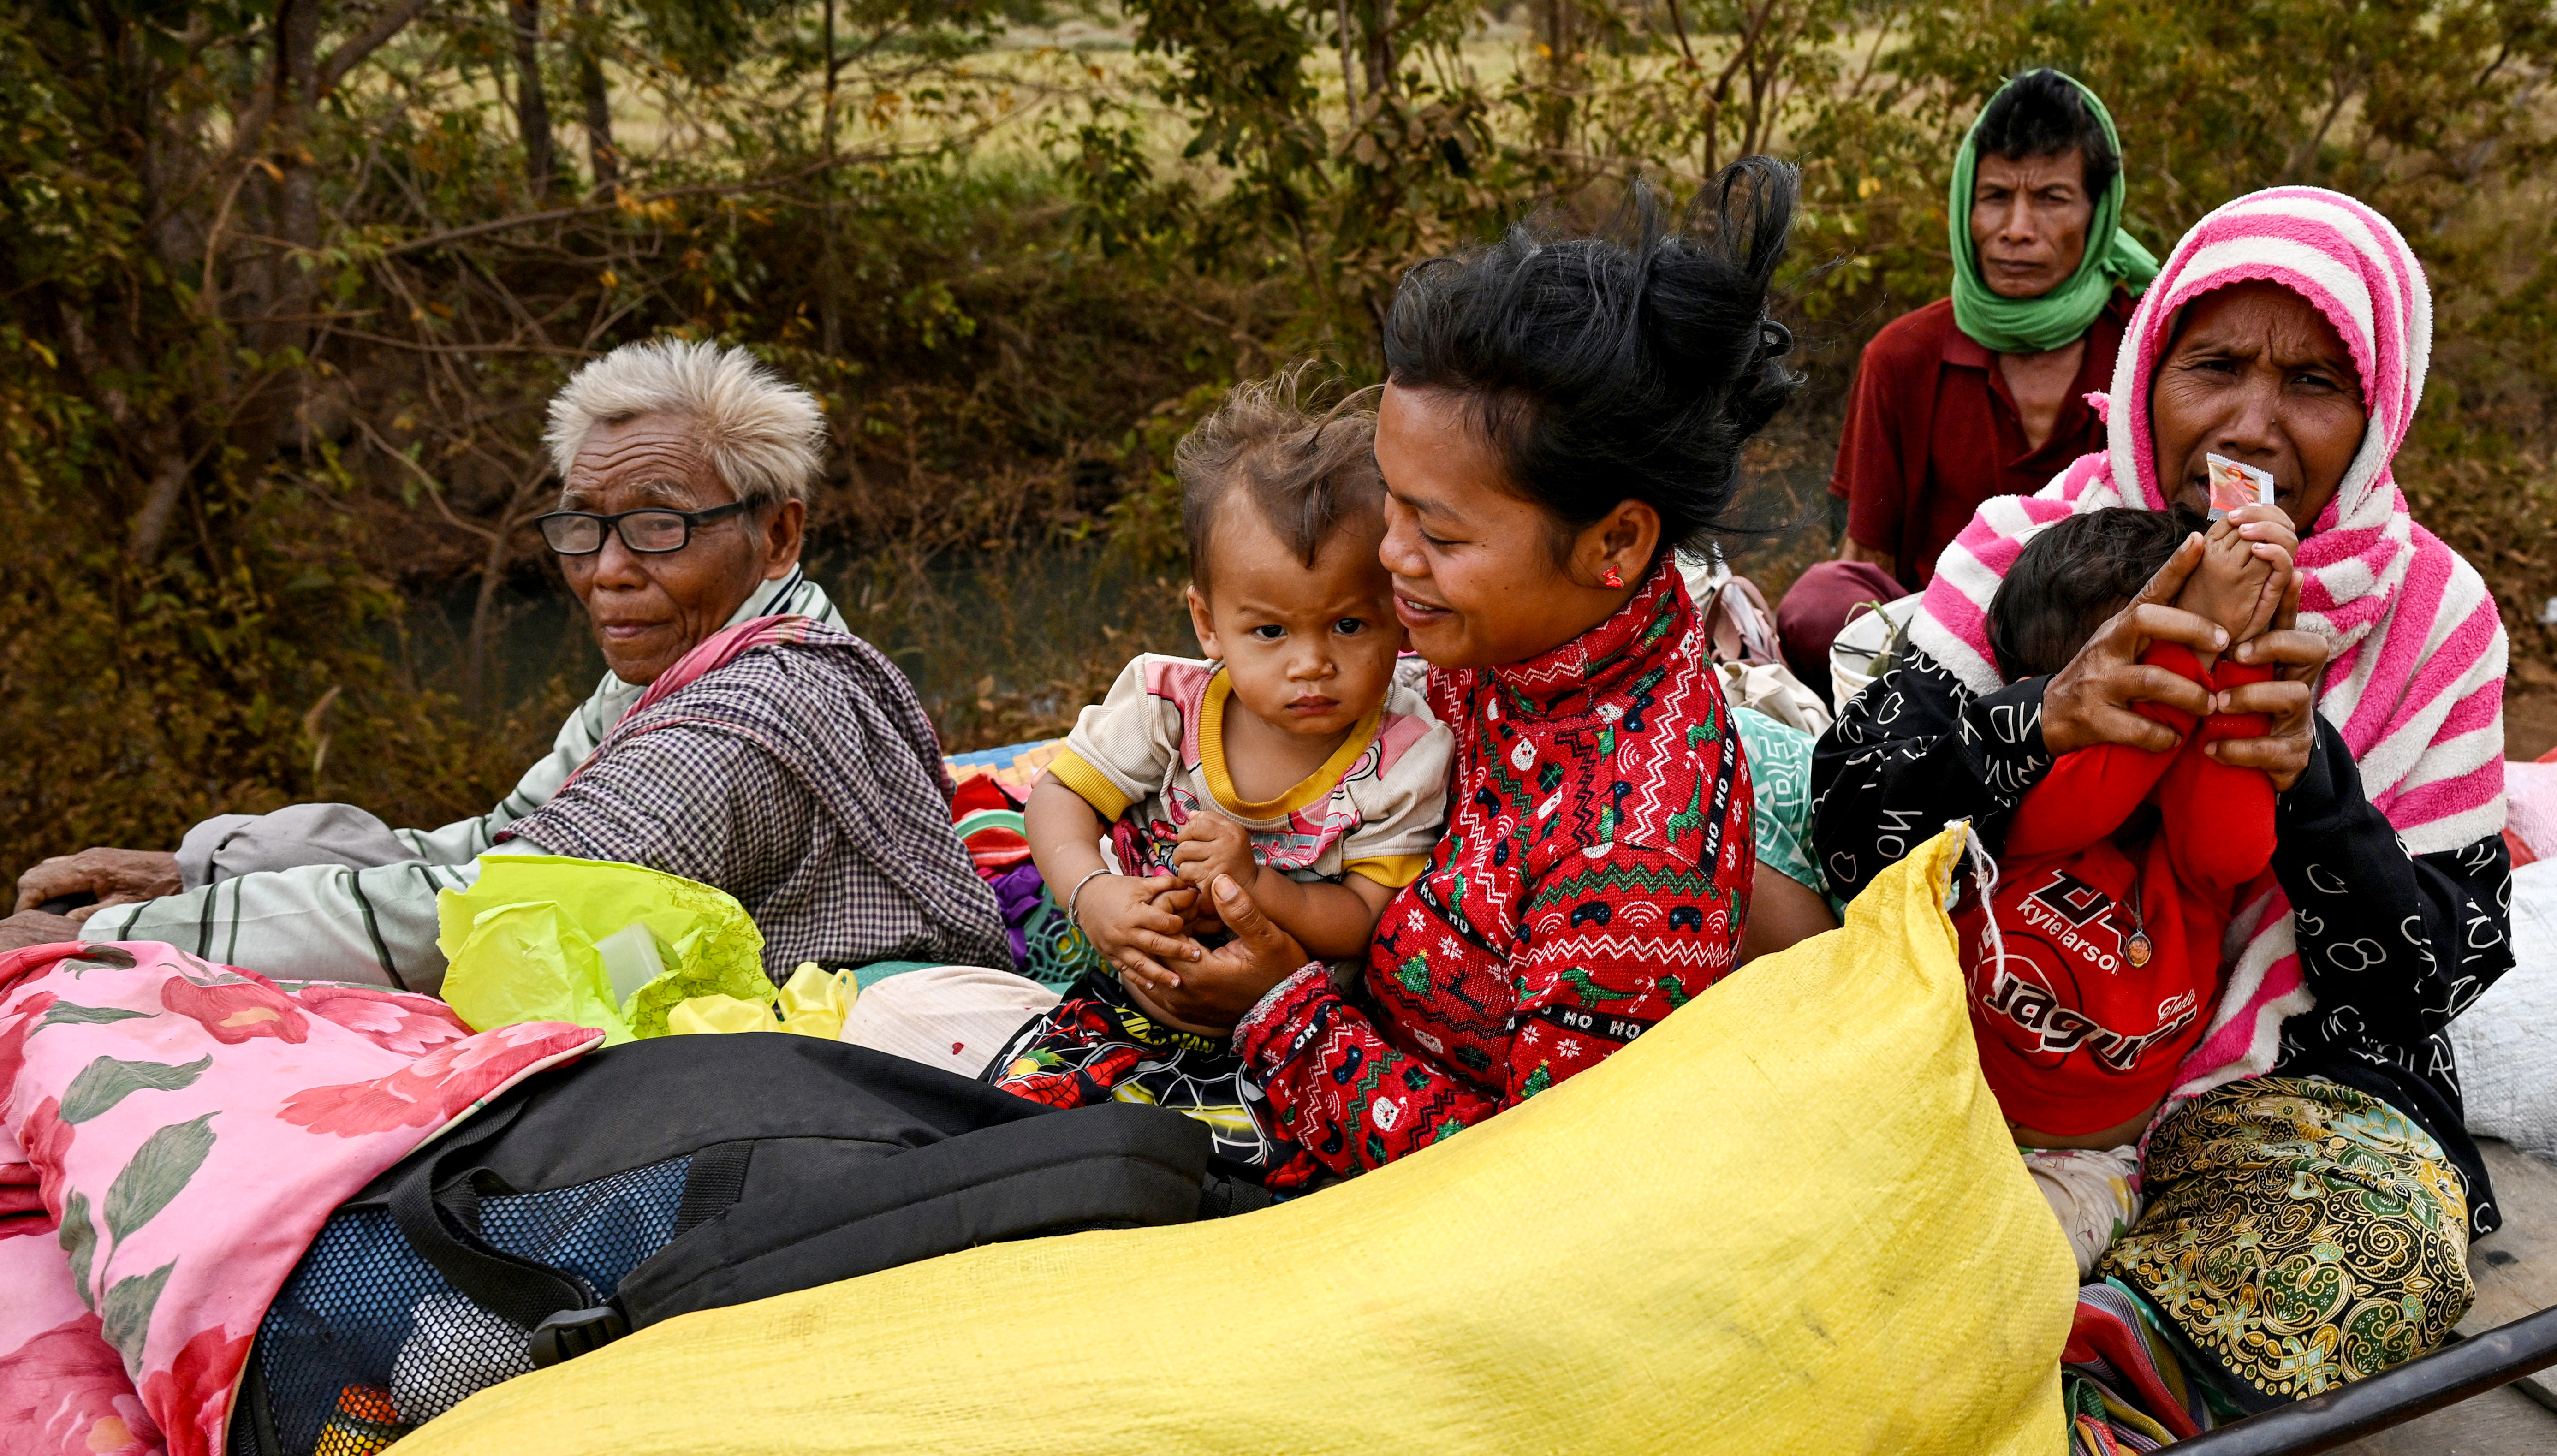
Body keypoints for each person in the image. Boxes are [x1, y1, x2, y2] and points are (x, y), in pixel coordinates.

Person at [1811, 187, 2514, 1410]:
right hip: (1975, 1049)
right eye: (2217, 366)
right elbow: (1852, 831)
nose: (2253, 426)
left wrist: (2310, 779)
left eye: (2313, 384)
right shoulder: (2032, 541)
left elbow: (2431, 977)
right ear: (2147, 375)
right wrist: (2041, 720)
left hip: (2260, 1110)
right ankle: (2041, 1354)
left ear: (2378, 411)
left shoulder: (2432, 621)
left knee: (2382, 1254)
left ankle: (2072, 1355)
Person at [1125, 159, 1795, 1189]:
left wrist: (1274, 1010)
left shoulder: (1632, 856)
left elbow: (1545, 1188)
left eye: (1435, 530)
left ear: (1614, 539)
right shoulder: (1495, 648)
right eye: (1388, 502)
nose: (1389, 556)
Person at [6, 339, 1009, 987]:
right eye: (585, 529)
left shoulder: (751, 718)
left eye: (659, 527)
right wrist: (202, 865)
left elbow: (488, 912)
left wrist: (133, 934)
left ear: (777, 535)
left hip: (859, 1071)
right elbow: (493, 841)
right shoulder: (670, 671)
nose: (607, 574)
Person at [998, 374, 1451, 1188]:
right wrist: (1093, 896)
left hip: (1288, 1026)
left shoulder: (1407, 752)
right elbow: (1058, 800)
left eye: (1350, 624)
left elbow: (1360, 919)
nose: (1312, 663)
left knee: (1239, 1180)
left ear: (1399, 609)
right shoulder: (1165, 706)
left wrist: (1258, 885)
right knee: (1019, 1130)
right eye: (1269, 630)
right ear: (1209, 622)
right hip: (1125, 991)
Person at [1959, 504, 2296, 1272]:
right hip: (1936, 1109)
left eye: (2179, 665)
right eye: (2139, 672)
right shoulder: (2024, 815)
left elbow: (2237, 840)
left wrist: (2239, 642)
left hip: (2081, 1171)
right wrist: (2193, 637)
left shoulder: (2188, 855)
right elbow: (2104, 778)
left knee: (2008, 1269)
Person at [1778, 69, 2158, 703]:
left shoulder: (2147, 351)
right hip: (1932, 647)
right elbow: (1865, 556)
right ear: (1964, 207)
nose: (2016, 227)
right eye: (1995, 197)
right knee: (1818, 607)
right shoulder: (1902, 358)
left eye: (2052, 198)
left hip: (2106, 649)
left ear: (2099, 215)